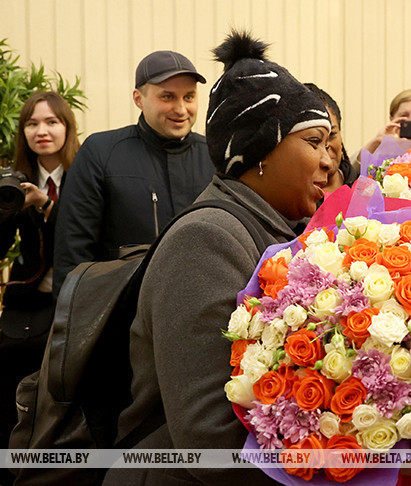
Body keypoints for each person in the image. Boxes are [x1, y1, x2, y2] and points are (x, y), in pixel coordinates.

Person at [102, 30, 332, 485]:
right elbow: (207, 436)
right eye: (314, 142)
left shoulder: (283, 229)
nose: (328, 161)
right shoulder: (205, 240)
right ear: (262, 152)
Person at [52, 50, 214, 296]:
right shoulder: (100, 153)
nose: (181, 109)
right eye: (168, 97)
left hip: (200, 314)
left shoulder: (215, 158)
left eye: (189, 97)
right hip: (122, 319)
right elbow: (72, 253)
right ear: (139, 99)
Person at [0, 91, 79, 484]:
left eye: (51, 122)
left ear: (67, 127)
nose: (42, 131)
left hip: (74, 300)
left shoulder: (85, 173)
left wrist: (46, 206)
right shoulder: (14, 179)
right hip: (27, 301)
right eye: (32, 123)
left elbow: (78, 235)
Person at [304, 82, 359, 192]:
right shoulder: (291, 203)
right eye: (315, 140)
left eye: (332, 135)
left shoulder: (365, 188)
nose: (325, 146)